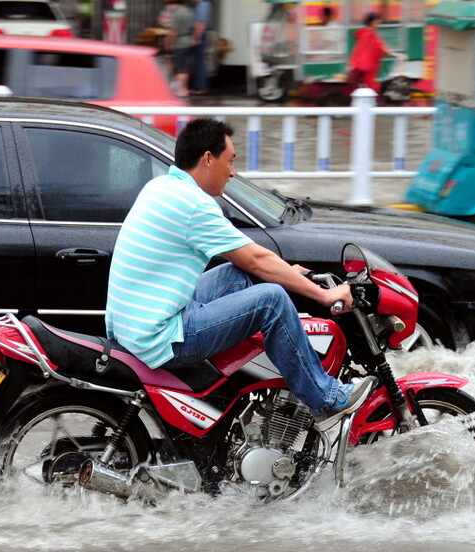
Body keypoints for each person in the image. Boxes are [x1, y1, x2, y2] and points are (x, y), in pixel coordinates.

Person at [105, 118, 371, 426]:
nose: (232, 172)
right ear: (208, 158)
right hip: (159, 335)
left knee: (238, 275)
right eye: (230, 161)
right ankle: (324, 398)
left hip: (134, 323)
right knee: (271, 300)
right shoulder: (194, 205)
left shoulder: (162, 186)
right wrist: (324, 295)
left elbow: (248, 261)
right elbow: (255, 258)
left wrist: (289, 273)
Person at [347, 12, 401, 93]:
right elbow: (381, 47)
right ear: (372, 22)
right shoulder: (370, 35)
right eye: (377, 21)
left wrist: (352, 63)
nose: (378, 23)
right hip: (367, 65)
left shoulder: (363, 33)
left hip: (357, 66)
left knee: (357, 85)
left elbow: (358, 50)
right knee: (370, 86)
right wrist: (395, 55)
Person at [162, 0, 194, 98]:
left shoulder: (178, 13)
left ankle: (180, 91)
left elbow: (173, 31)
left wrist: (167, 43)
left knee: (180, 68)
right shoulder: (189, 11)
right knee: (185, 68)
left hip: (179, 43)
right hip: (189, 41)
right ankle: (185, 89)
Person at [189, 0, 214, 95]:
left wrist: (196, 38)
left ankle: (200, 86)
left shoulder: (203, 5)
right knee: (198, 61)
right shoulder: (202, 5)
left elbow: (201, 24)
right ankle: (198, 85)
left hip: (200, 35)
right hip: (200, 34)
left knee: (199, 62)